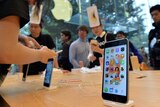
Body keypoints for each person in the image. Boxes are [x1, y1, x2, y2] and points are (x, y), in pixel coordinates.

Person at [0, 0, 57, 86]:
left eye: (36, 26)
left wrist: (19, 37)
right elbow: (7, 53)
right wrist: (40, 55)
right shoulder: (15, 2)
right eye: (31, 26)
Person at [148, 4, 160, 70]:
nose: (154, 17)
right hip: (155, 67)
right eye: (152, 15)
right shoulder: (152, 33)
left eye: (156, 14)